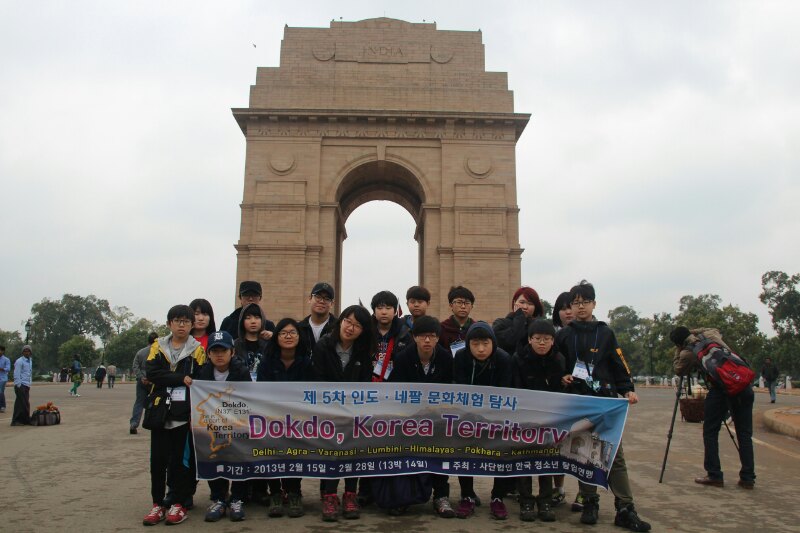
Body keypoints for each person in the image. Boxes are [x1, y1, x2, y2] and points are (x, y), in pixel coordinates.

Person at [556, 281, 651, 532]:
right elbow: (557, 365)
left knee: (614, 454)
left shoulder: (605, 332)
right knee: (584, 453)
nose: (580, 307)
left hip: (605, 403)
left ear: (594, 304)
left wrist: (627, 388)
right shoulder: (564, 335)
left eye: (585, 302)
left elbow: (619, 363)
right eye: (576, 303)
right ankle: (590, 502)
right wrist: (561, 377)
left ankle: (625, 507)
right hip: (578, 402)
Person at [142, 304, 206, 526]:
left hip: (183, 413)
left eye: (186, 321)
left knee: (180, 461)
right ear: (169, 323)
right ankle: (157, 503)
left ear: (192, 325)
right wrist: (180, 378)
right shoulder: (157, 346)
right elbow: (152, 373)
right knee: (158, 461)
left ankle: (179, 503)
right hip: (160, 412)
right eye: (177, 321)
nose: (181, 325)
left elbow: (199, 378)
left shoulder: (198, 350)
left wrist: (169, 377)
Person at [312, 305, 376, 522]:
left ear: (363, 331)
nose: (350, 328)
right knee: (333, 451)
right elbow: (317, 378)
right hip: (328, 412)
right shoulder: (323, 346)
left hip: (354, 413)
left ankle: (350, 494)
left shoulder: (363, 352)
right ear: (340, 321)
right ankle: (329, 495)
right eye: (348, 321)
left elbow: (365, 383)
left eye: (357, 325)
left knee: (353, 451)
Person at [671, 326, 756, 490]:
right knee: (744, 434)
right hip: (743, 385)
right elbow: (714, 328)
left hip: (721, 389)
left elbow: (678, 369)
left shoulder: (688, 353)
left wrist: (678, 350)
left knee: (710, 431)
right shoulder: (711, 335)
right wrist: (693, 331)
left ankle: (714, 474)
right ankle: (748, 478)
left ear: (678, 343)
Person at [390, 316, 455, 518]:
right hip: (409, 420)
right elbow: (396, 390)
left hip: (437, 419)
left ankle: (441, 496)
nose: (427, 340)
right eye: (422, 336)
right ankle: (406, 497)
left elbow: (451, 389)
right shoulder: (402, 358)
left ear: (438, 338)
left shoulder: (446, 358)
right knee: (408, 457)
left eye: (432, 336)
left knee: (440, 454)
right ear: (414, 337)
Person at [452, 322, 513, 520]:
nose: (480, 349)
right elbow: (458, 386)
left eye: (485, 343)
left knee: (500, 452)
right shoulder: (460, 357)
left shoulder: (503, 359)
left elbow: (506, 389)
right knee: (464, 453)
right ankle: (467, 495)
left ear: (493, 343)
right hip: (467, 416)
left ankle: (497, 497)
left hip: (496, 416)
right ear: (468, 344)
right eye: (475, 344)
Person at [257, 318, 312, 518]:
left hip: (298, 420)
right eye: (283, 333)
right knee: (273, 455)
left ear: (299, 336)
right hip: (272, 419)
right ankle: (275, 493)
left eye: (293, 332)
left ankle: (294, 492)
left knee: (294, 454)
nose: (288, 336)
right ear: (276, 337)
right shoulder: (266, 363)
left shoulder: (307, 363)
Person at [512, 319, 564, 522]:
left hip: (549, 418)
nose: (542, 343)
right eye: (538, 339)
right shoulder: (518, 358)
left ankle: (545, 501)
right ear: (529, 339)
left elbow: (559, 390)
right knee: (524, 460)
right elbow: (515, 387)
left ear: (553, 341)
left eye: (547, 339)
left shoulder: (559, 359)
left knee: (545, 460)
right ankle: (526, 501)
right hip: (524, 417)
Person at [198, 331, 251, 522]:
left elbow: (249, 398)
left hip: (237, 424)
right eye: (215, 351)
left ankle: (237, 498)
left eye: (224, 350)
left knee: (239, 458)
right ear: (208, 354)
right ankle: (219, 499)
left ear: (232, 352)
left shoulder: (241, 371)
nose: (219, 355)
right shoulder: (202, 373)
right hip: (212, 424)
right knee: (214, 457)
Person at [551, 291, 574, 508]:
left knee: (584, 446)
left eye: (572, 306)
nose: (569, 312)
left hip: (583, 396)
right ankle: (558, 488)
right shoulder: (552, 336)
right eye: (563, 308)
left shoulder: (597, 333)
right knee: (556, 445)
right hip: (559, 397)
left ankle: (586, 494)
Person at [370, 291, 412, 383]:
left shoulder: (405, 333)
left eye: (388, 308)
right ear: (374, 311)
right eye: (379, 308)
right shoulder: (366, 332)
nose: (384, 312)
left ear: (395, 311)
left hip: (396, 385)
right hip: (369, 385)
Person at [492, 286, 545, 356]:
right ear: (514, 303)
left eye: (530, 304)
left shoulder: (539, 327)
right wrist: (519, 318)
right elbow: (509, 341)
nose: (525, 307)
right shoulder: (500, 323)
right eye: (522, 302)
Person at [130, 332, 158, 435]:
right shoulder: (159, 352)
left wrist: (141, 377)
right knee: (156, 402)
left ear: (148, 340)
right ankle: (153, 423)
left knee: (139, 402)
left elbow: (135, 366)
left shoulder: (140, 352)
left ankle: (134, 424)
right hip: (155, 381)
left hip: (141, 380)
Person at [298, 282, 337, 354]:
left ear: (332, 304)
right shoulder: (299, 328)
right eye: (318, 297)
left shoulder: (338, 328)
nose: (322, 301)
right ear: (310, 299)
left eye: (327, 298)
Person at [234, 303, 270, 379]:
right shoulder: (235, 345)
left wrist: (275, 338)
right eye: (248, 318)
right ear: (242, 321)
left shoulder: (269, 345)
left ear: (262, 320)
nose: (253, 321)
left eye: (257, 317)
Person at [438, 286, 476, 356]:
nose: (463, 306)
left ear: (472, 306)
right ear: (451, 305)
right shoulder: (442, 328)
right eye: (459, 302)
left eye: (467, 303)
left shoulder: (476, 328)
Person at [11, 345, 33, 426]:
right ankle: (16, 420)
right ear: (22, 352)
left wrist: (29, 383)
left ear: (30, 352)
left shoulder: (30, 361)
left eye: (28, 351)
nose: (26, 352)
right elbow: (16, 374)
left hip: (27, 384)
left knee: (25, 403)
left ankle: (25, 419)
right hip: (21, 385)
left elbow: (29, 373)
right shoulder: (19, 361)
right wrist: (18, 385)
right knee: (21, 403)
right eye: (25, 351)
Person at [0, 345, 10, 413]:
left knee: (0, 391)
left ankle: (3, 406)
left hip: (3, 378)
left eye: (0, 350)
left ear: (3, 351)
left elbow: (8, 368)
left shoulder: (6, 359)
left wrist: (1, 369)